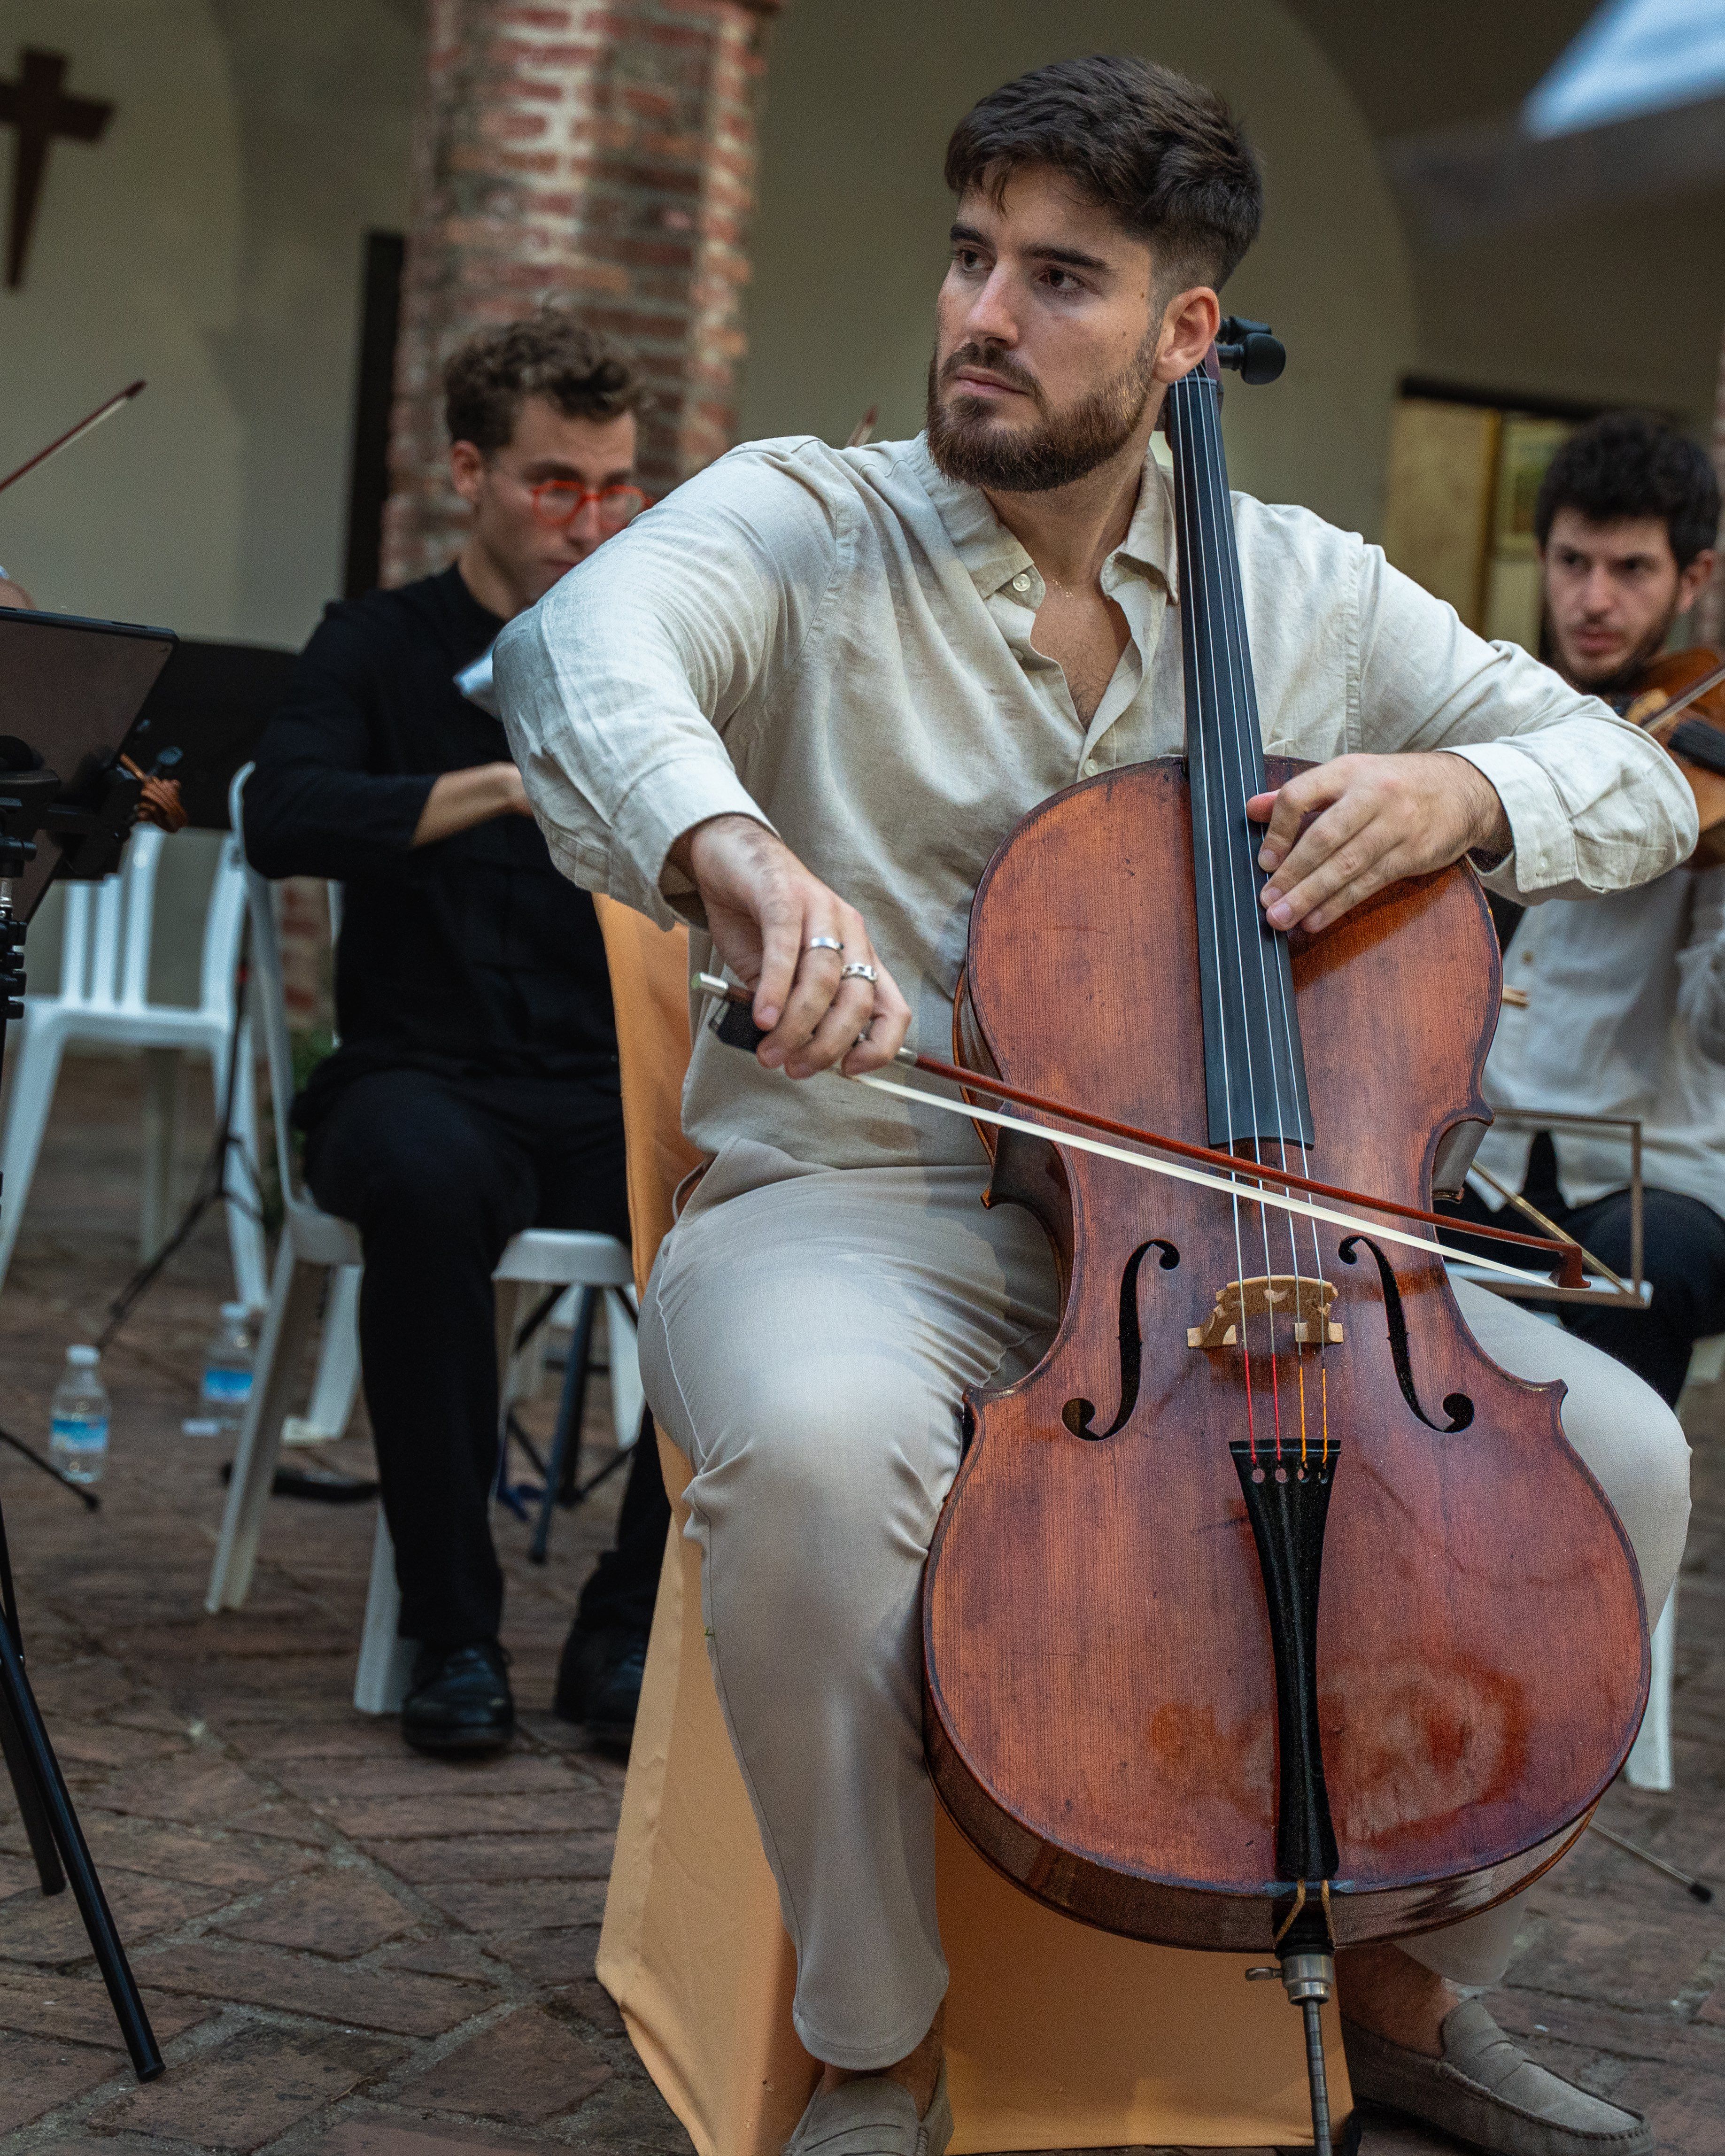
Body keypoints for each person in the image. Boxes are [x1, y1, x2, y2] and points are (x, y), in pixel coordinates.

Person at [497, 60, 1693, 2156]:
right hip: (860, 1199)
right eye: (973, 257)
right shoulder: (809, 518)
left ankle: (1417, 1986)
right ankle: (876, 2043)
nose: (983, 312)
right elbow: (580, 657)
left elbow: (1631, 777)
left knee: (1628, 1455)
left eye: (1061, 278)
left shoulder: (1298, 587)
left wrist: (1464, 786)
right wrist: (732, 851)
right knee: (815, 1448)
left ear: (1183, 334)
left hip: (1253, 1230)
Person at [245, 311, 669, 1758]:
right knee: (424, 1186)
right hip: (416, 1081)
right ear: (469, 472)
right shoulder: (375, 645)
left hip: (597, 1088)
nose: (592, 520)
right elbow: (277, 813)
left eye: (618, 489)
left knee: (756, 1196)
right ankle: (455, 1633)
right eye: (558, 485)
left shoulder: (645, 656)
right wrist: (501, 784)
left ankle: (626, 1625)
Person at [1451, 412, 1725, 1407]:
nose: (1593, 599)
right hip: (1488, 1156)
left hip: (1658, 1175)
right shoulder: (1488, 724)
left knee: (1642, 1269)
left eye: (1631, 570)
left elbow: (1718, 1032)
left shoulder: (1703, 775)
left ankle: (1617, 1535)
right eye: (1571, 562)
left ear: (1693, 579)